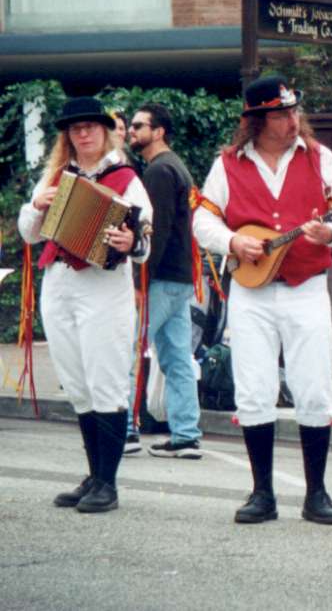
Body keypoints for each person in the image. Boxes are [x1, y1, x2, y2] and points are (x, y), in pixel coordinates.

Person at [192, 75, 332, 526]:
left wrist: (330, 232)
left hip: (307, 287)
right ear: (257, 120)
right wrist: (232, 243)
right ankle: (262, 493)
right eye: (283, 113)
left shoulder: (321, 158)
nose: (293, 120)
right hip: (251, 292)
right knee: (253, 388)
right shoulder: (226, 164)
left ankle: (316, 494)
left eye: (294, 111)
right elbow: (202, 221)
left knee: (314, 386)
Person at [18, 96, 153, 513]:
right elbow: (29, 234)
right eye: (75, 129)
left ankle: (107, 484)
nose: (83, 133)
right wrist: (36, 207)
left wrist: (132, 242)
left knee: (105, 379)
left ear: (105, 131)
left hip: (104, 287)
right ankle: (94, 475)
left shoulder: (127, 178)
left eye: (91, 126)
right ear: (69, 137)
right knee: (77, 383)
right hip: (60, 284)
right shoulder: (57, 176)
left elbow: (145, 240)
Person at [124, 103, 203, 459]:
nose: (131, 131)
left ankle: (124, 430)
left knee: (126, 352)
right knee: (177, 358)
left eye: (139, 126)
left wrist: (141, 281)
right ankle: (186, 435)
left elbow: (156, 231)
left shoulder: (157, 171)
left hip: (158, 278)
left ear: (158, 132)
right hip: (181, 277)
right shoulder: (177, 167)